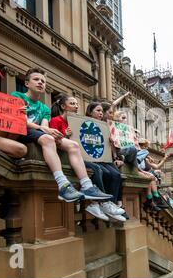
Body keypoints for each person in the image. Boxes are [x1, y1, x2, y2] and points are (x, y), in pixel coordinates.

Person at [11, 68, 112, 203]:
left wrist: (51, 132)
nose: (40, 83)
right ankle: (63, 185)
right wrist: (45, 130)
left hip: (37, 133)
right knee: (48, 138)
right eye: (36, 80)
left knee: (73, 145)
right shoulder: (17, 96)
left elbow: (45, 126)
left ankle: (87, 186)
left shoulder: (44, 108)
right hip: (20, 130)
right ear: (27, 83)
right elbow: (21, 121)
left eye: (43, 81)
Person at [83, 101, 127, 221]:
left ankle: (111, 205)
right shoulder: (83, 123)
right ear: (90, 112)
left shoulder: (105, 127)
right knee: (106, 173)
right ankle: (104, 203)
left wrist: (112, 143)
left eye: (102, 111)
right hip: (90, 158)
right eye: (98, 111)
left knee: (117, 174)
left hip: (103, 158)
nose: (101, 113)